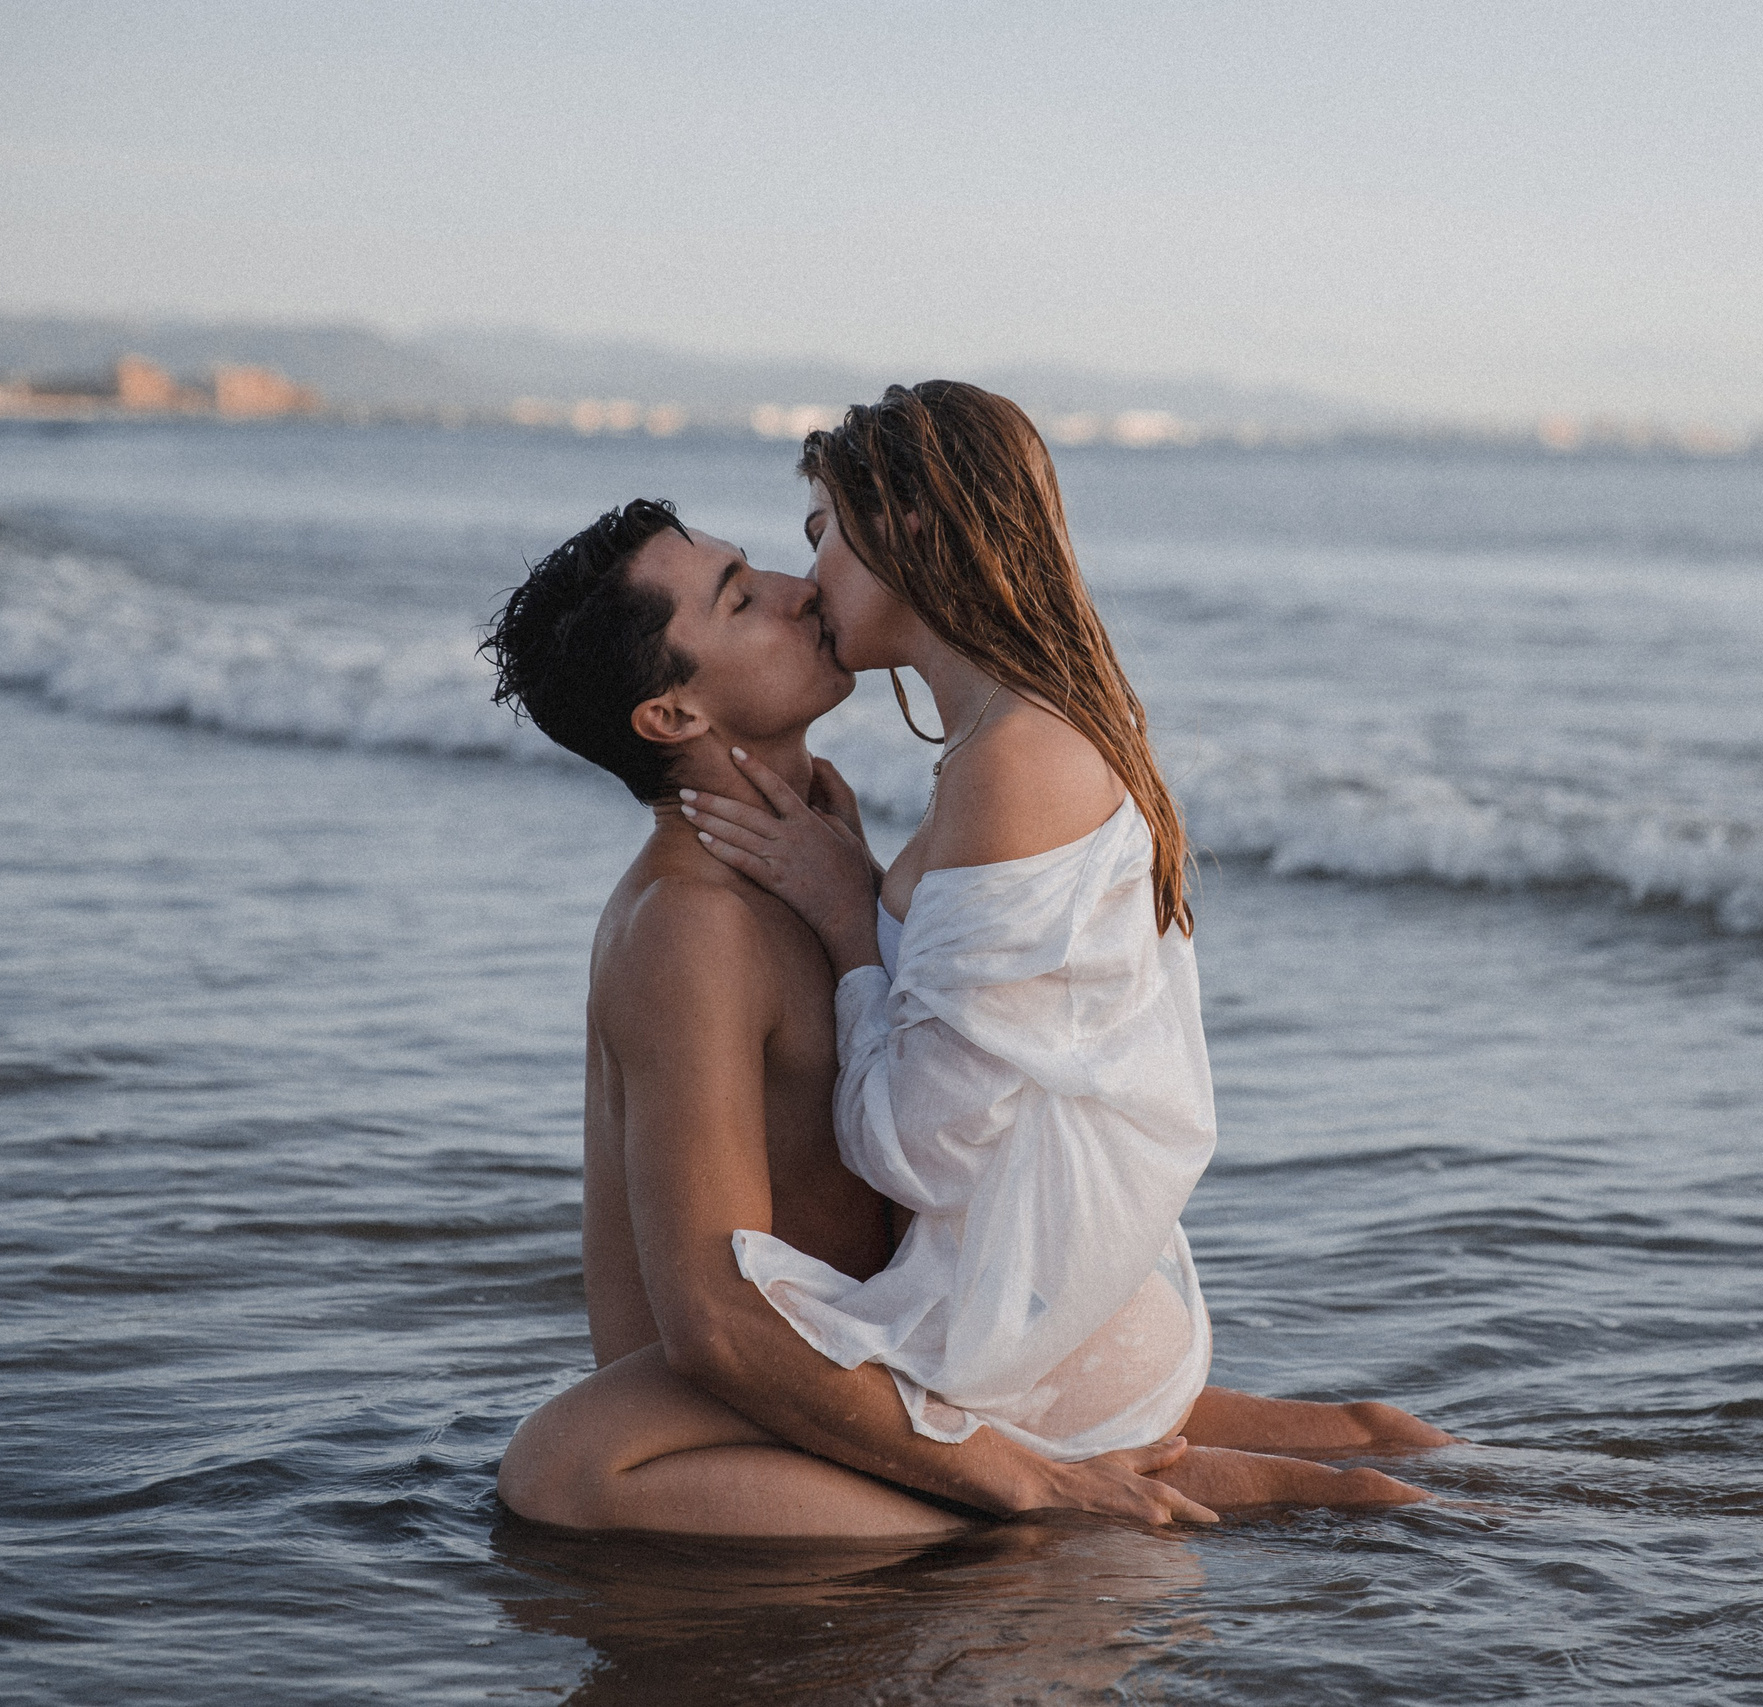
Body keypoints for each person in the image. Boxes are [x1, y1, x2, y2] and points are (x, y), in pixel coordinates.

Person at [487, 491, 1444, 1540]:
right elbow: (712, 1324)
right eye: (741, 600)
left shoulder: (822, 851)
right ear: (673, 715)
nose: (800, 591)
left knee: (559, 1466)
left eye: (762, 569)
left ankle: (1035, 1488)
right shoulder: (691, 925)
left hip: (932, 1337)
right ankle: (1053, 1484)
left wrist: (1021, 1481)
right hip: (775, 1385)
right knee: (568, 1465)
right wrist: (1019, 1474)